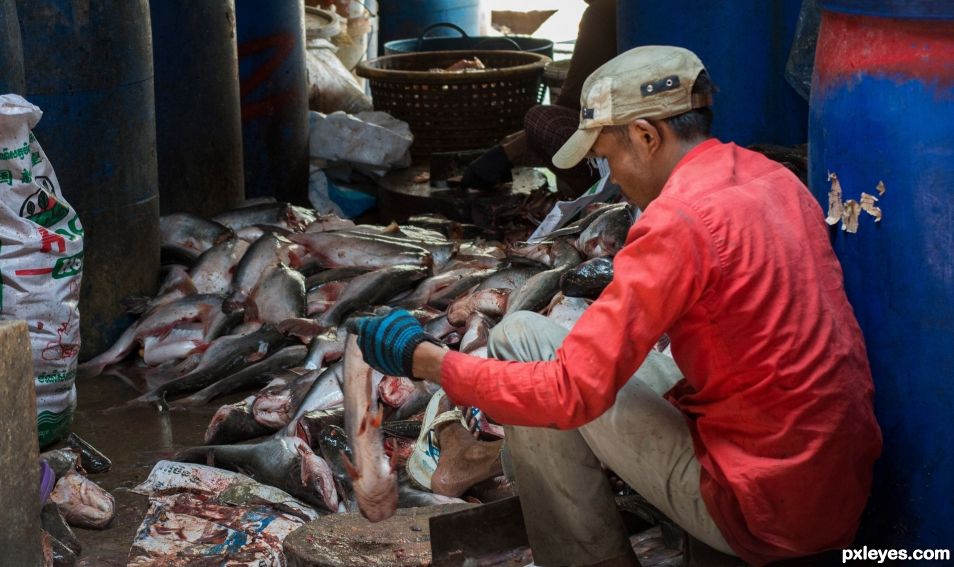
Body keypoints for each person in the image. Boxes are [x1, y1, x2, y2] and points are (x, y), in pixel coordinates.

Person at [350, 46, 882, 566]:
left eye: (607, 158)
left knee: (540, 375)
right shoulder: (772, 178)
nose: (613, 180)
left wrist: (427, 361)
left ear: (648, 136)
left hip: (763, 510)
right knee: (521, 334)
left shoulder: (679, 221)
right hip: (830, 483)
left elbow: (567, 395)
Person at [461, 0, 617, 198]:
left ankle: (596, 201)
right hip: (630, 140)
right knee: (529, 133)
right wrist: (505, 150)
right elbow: (572, 105)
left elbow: (577, 115)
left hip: (624, 146)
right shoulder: (604, 13)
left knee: (539, 119)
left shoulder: (604, 15)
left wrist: (508, 152)